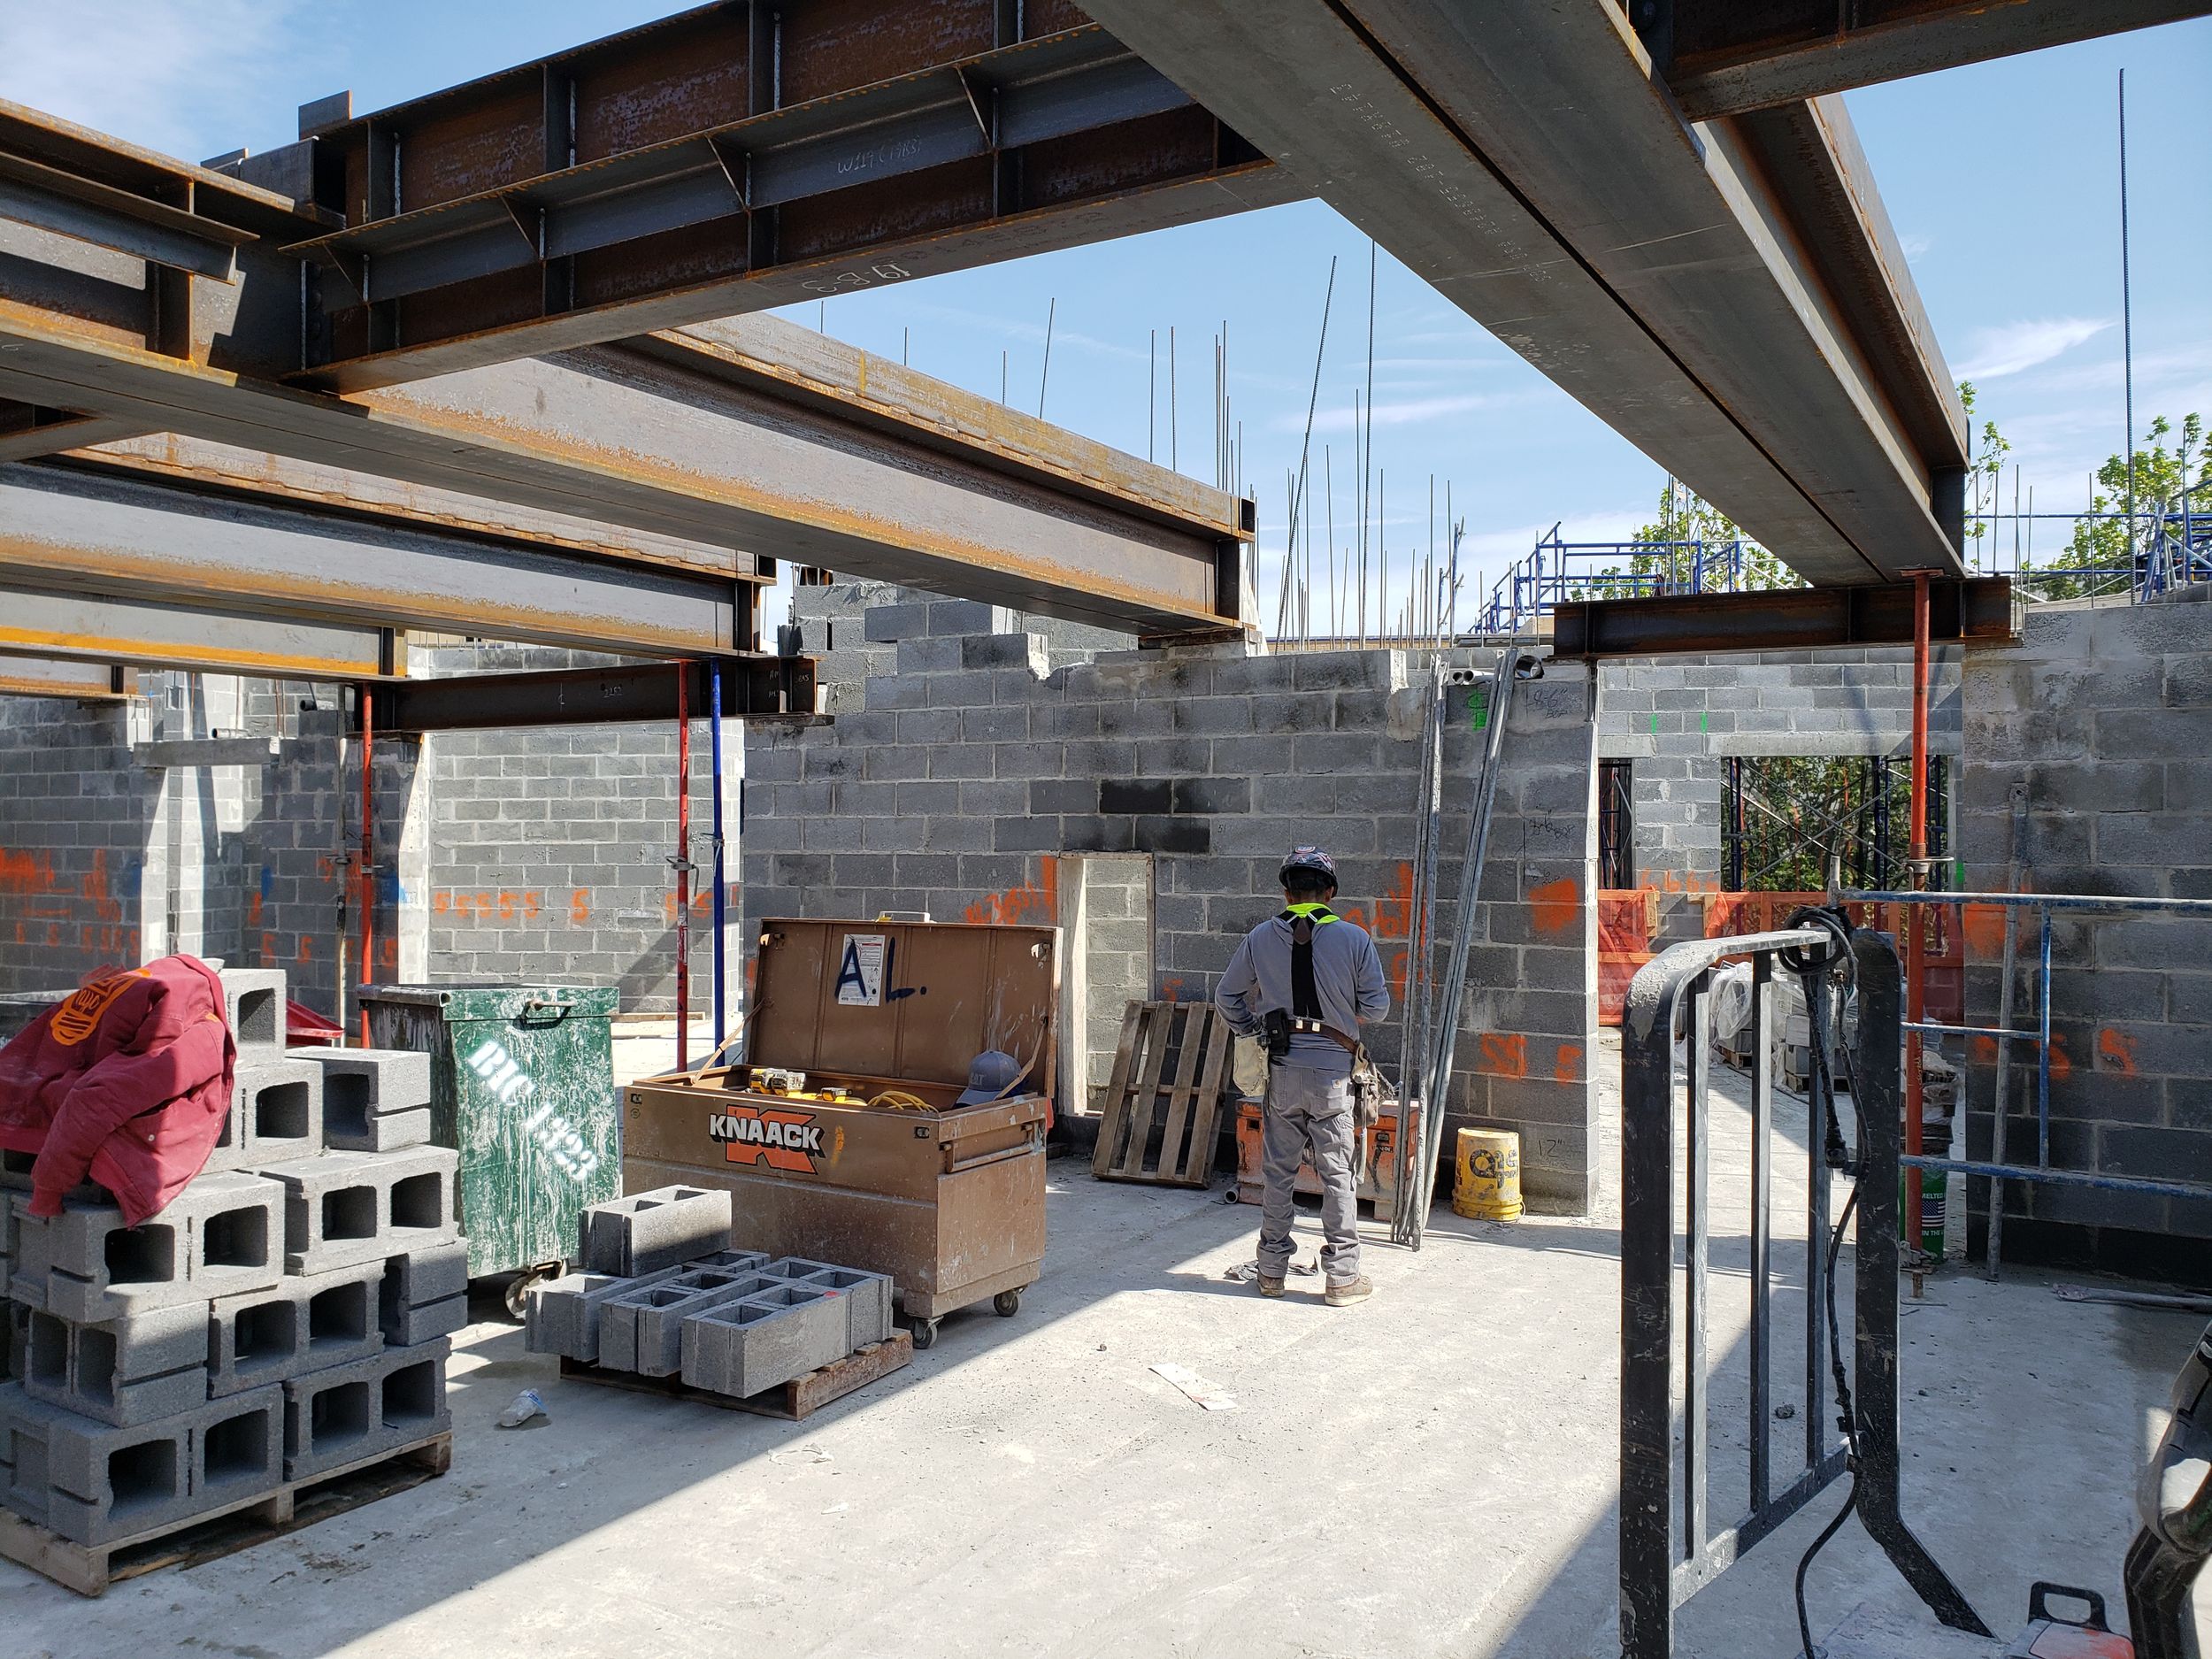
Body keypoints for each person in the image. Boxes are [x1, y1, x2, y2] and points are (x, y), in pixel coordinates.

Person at [1214, 846, 1389, 1306]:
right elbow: (1376, 1007)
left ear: (1286, 892)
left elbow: (1227, 997)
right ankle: (1342, 1278)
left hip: (1283, 1072)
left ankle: (1271, 1272)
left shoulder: (1258, 938)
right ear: (1329, 893)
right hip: (1333, 1074)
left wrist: (1254, 1029)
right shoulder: (1355, 939)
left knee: (1278, 1174)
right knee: (1337, 1175)